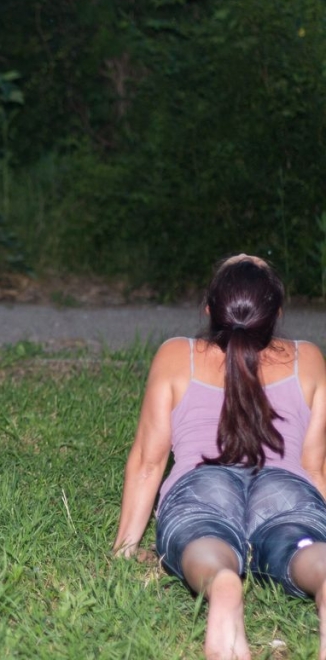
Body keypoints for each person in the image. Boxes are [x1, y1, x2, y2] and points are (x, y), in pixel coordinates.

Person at [114, 254, 326, 660]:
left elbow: (147, 461)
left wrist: (125, 547)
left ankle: (220, 579)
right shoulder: (310, 359)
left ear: (210, 310)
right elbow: (315, 468)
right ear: (276, 315)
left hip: (204, 484)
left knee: (204, 538)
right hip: (285, 490)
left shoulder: (176, 354)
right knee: (301, 544)